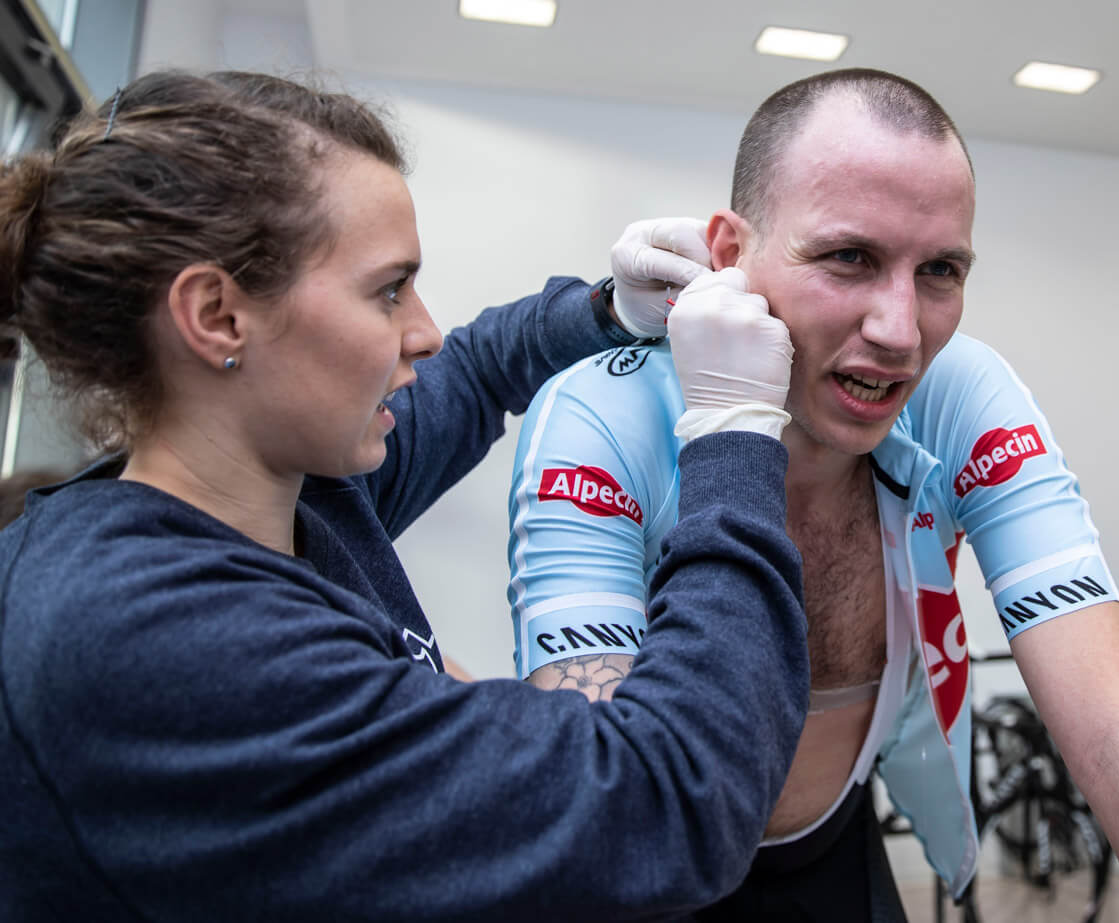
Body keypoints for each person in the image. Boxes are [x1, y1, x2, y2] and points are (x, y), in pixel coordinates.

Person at [0, 70, 814, 921]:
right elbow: (666, 802)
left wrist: (610, 311)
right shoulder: (156, 639)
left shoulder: (295, 494)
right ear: (217, 315)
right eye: (388, 290)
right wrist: (733, 434)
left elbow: (477, 367)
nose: (422, 331)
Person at [508, 68, 1119, 920]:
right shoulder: (600, 416)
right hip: (652, 872)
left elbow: (1111, 729)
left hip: (836, 842)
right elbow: (617, 810)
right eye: (849, 257)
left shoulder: (960, 392)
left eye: (940, 269)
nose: (900, 332)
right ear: (729, 257)